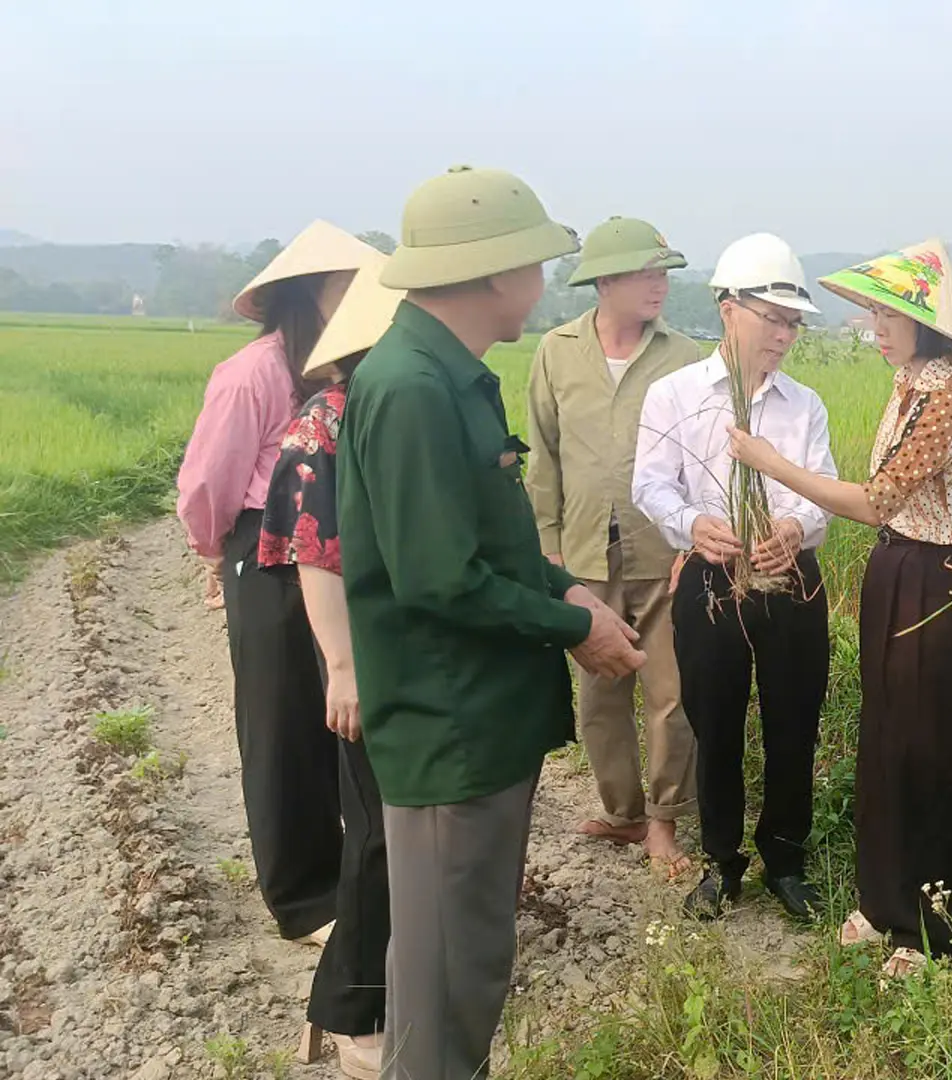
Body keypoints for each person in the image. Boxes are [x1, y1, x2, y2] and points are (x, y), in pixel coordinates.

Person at [335, 165, 646, 1080]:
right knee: (446, 978)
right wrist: (571, 627)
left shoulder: (449, 378)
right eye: (537, 263)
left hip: (475, 726)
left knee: (455, 964)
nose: (544, 283)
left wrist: (568, 589)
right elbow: (439, 580)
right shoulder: (413, 390)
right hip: (449, 728)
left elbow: (486, 545)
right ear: (493, 273)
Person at [727, 239, 952, 977]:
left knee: (931, 745)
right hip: (897, 566)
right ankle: (883, 903)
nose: (874, 326)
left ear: (924, 323)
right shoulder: (909, 382)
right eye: (872, 312)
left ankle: (933, 927)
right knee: (886, 735)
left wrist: (772, 463)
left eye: (887, 313)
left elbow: (875, 499)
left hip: (941, 582)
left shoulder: (948, 398)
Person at [175, 220, 381, 948]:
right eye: (349, 286)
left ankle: (361, 884)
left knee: (348, 723)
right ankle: (303, 898)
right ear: (313, 293)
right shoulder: (255, 373)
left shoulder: (354, 372)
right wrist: (212, 556)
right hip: (266, 555)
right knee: (282, 723)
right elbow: (207, 482)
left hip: (341, 553)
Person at [631, 232, 836, 924]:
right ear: (727, 308)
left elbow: (820, 488)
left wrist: (792, 529)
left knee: (793, 720)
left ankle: (785, 857)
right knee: (713, 720)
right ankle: (721, 860)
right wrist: (692, 525)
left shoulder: (803, 406)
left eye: (793, 323)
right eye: (771, 318)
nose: (784, 335)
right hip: (711, 575)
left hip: (789, 576)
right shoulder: (674, 395)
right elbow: (651, 485)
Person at [258, 263, 406, 1079]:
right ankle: (353, 1007)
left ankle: (367, 986)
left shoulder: (400, 411)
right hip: (365, 651)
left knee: (400, 825)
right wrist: (343, 666)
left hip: (417, 650)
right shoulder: (326, 423)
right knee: (380, 829)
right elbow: (315, 553)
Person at [526, 217, 704, 874]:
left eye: (663, 272)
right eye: (645, 273)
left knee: (669, 690)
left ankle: (664, 820)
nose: (659, 284)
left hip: (665, 553)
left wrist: (699, 537)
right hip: (581, 554)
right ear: (605, 281)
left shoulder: (684, 357)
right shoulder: (557, 351)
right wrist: (546, 548)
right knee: (599, 694)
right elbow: (543, 459)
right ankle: (622, 812)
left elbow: (704, 460)